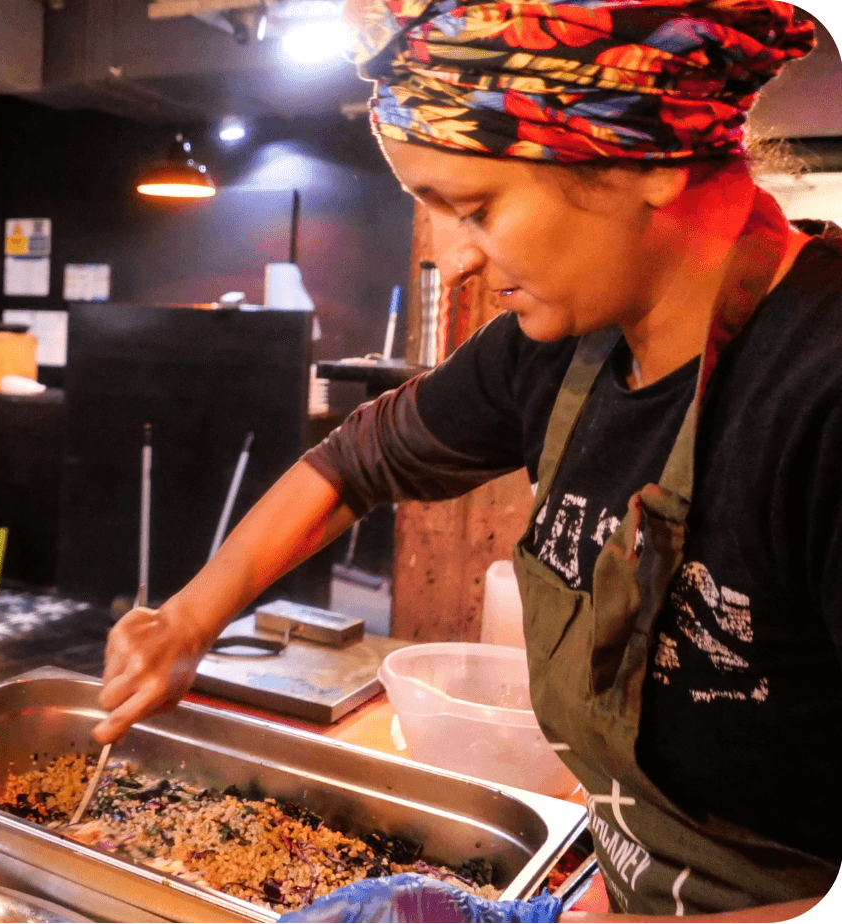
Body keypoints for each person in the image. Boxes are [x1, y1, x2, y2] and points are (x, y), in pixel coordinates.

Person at [95, 0, 839, 919]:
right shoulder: (555, 349)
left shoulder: (819, 391)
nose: (451, 261)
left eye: (473, 206)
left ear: (643, 160)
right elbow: (354, 464)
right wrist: (188, 620)